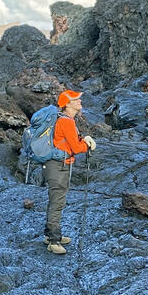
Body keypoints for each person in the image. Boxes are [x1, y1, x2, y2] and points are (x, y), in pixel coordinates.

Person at [43, 89, 97, 254]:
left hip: (55, 164)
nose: (80, 101)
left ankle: (52, 235)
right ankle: (53, 241)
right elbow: (75, 147)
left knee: (55, 200)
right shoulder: (66, 121)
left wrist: (82, 140)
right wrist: (86, 145)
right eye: (76, 99)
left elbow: (70, 142)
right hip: (58, 166)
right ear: (67, 104)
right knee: (57, 202)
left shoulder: (63, 119)